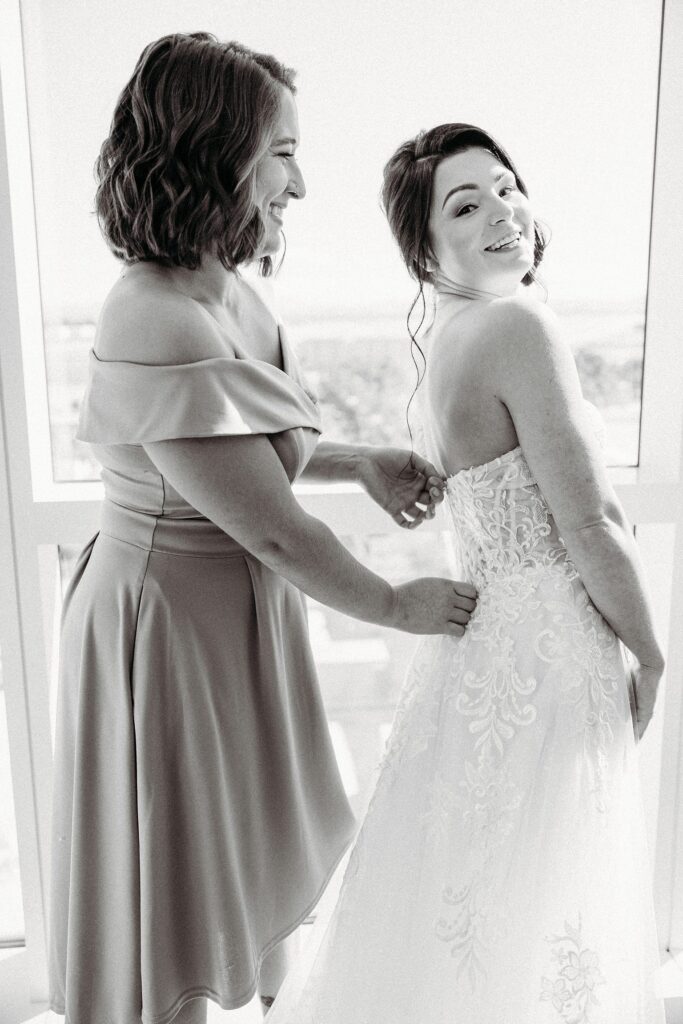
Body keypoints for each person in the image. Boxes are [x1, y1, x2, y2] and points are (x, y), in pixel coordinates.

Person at [48, 38, 478, 1024]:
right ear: (213, 150)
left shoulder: (232, 291)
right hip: (166, 633)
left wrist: (359, 457)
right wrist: (396, 604)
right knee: (183, 882)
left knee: (232, 862)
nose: (300, 180)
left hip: (233, 618)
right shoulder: (150, 314)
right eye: (281, 151)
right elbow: (276, 531)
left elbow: (240, 445)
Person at [265, 124, 665, 1023]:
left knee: (464, 901)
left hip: (476, 649)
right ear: (424, 244)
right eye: (465, 204)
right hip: (549, 650)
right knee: (539, 904)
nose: (501, 213)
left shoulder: (442, 343)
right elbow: (590, 524)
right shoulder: (518, 324)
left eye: (506, 187)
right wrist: (651, 651)